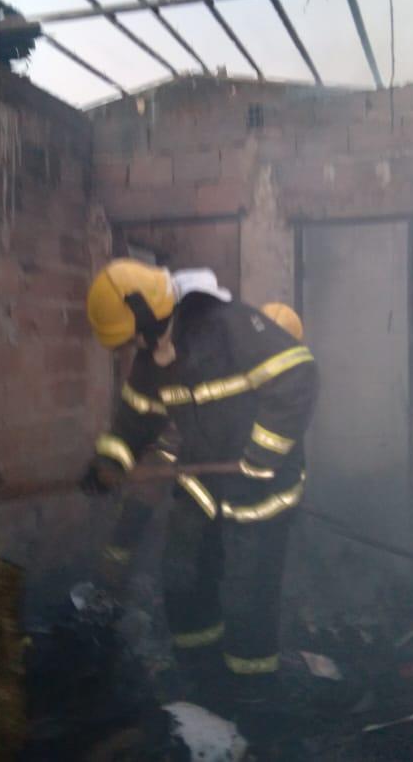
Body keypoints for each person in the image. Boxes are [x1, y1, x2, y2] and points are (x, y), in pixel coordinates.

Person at [80, 259, 318, 741]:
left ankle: (254, 696)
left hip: (260, 486)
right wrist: (111, 460)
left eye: (131, 337)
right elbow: (136, 415)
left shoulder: (227, 326)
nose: (132, 348)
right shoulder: (153, 359)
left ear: (147, 316)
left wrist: (262, 453)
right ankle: (202, 677)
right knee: (182, 575)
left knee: (247, 591)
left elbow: (298, 375)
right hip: (203, 479)